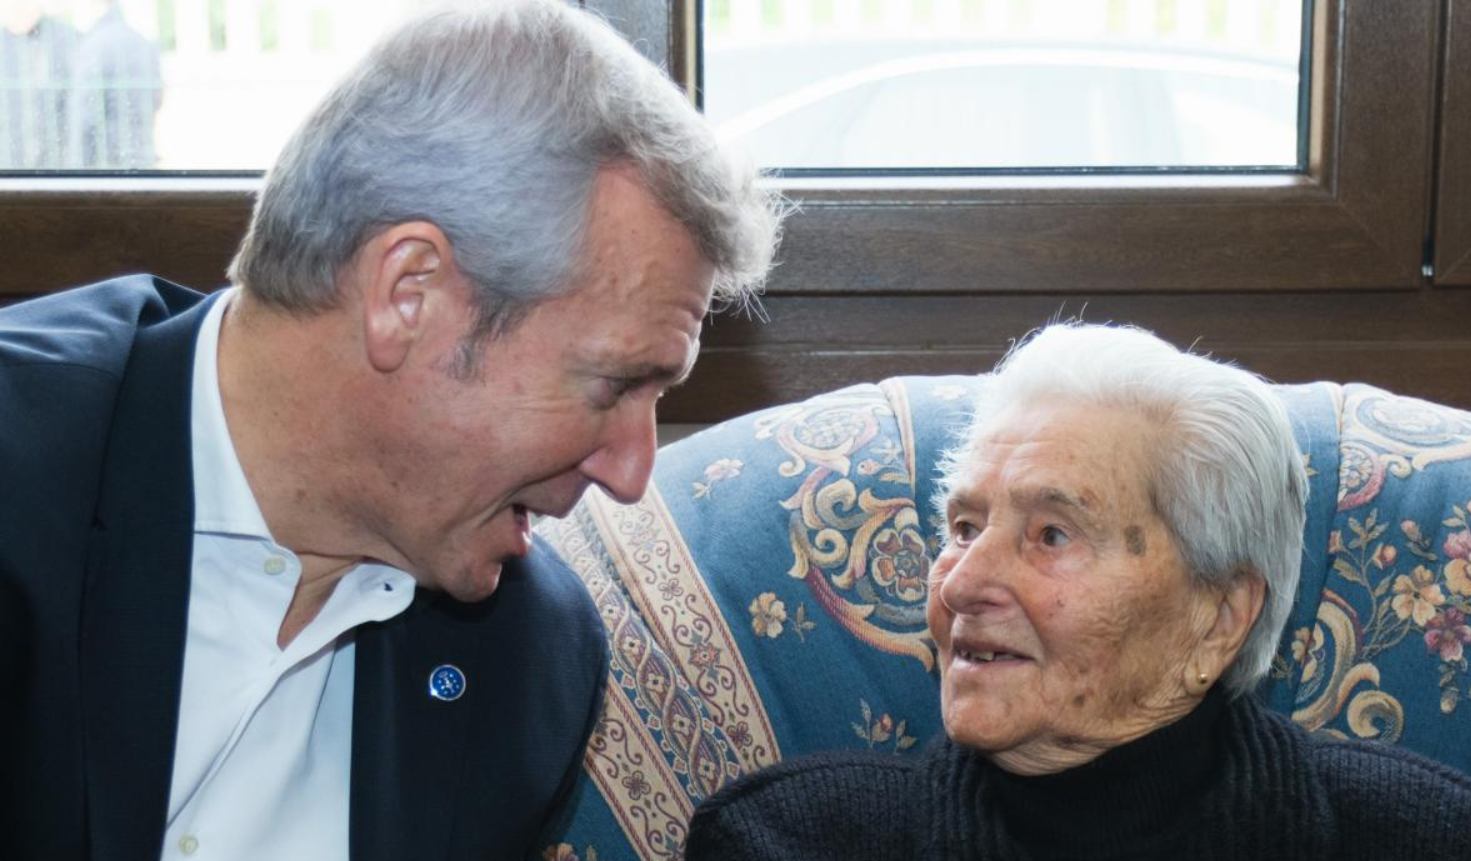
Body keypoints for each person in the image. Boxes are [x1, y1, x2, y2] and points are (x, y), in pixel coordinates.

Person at [0, 1, 782, 859]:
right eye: (612, 384)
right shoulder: (22, 471)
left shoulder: (528, 661)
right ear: (407, 294)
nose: (634, 472)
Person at [686, 324, 1471, 861]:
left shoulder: (1424, 838)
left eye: (1050, 534)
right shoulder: (784, 842)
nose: (959, 583)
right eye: (963, 526)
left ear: (1217, 620)